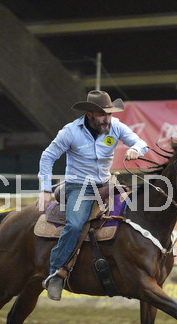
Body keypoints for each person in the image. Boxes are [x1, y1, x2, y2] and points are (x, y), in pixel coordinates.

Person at [37, 90, 148, 300]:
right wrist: (44, 190)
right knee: (75, 225)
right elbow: (47, 156)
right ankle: (55, 273)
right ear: (89, 114)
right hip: (79, 187)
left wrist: (136, 150)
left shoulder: (116, 126)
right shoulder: (70, 132)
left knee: (132, 214)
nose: (107, 119)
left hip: (106, 185)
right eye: (102, 115)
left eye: (109, 114)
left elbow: (141, 143)